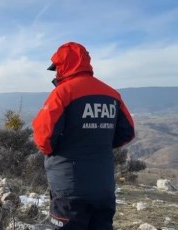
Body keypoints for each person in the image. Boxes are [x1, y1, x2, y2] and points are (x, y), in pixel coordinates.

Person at [32, 41, 135, 229]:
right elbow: (127, 132)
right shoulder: (112, 94)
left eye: (57, 68)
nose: (56, 73)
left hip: (69, 189)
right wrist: (97, 142)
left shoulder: (62, 94)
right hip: (104, 187)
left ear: (64, 66)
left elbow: (43, 138)